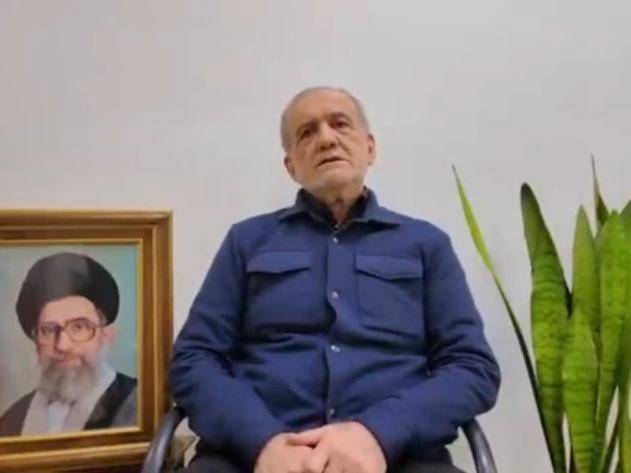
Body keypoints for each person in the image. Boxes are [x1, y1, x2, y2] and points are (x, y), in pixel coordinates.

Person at [170, 87, 501, 473]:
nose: (326, 139)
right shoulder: (246, 241)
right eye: (307, 133)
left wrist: (377, 434)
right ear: (291, 166)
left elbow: (471, 367)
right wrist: (262, 443)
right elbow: (194, 360)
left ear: (370, 148)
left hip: (397, 456)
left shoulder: (426, 245)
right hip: (251, 459)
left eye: (340, 124)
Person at [0, 252, 137, 436]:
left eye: (79, 327)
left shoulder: (138, 404)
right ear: (36, 342)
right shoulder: (13, 419)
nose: (62, 346)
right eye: (48, 330)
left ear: (107, 335)